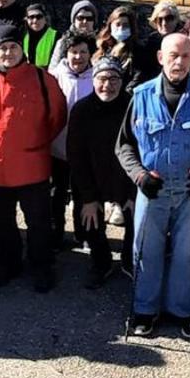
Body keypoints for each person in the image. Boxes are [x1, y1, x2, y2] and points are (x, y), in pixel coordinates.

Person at [116, 34, 190, 339]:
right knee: (146, 251)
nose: (179, 62)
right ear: (160, 58)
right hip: (151, 189)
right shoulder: (140, 96)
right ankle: (144, 310)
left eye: (185, 56)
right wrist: (139, 175)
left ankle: (184, 310)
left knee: (187, 252)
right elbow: (124, 145)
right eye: (173, 56)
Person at [0, 26, 67, 291]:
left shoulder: (43, 79)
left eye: (12, 47)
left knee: (38, 222)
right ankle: (9, 263)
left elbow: (57, 116)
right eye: (2, 48)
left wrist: (32, 142)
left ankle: (41, 266)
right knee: (2, 222)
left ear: (22, 49)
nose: (8, 53)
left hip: (33, 166)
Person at [68, 57, 135, 288]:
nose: (108, 85)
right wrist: (88, 197)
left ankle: (129, 260)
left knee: (136, 217)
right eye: (102, 78)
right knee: (88, 217)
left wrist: (131, 193)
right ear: (93, 80)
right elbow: (76, 156)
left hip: (126, 176)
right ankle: (101, 262)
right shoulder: (81, 110)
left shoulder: (133, 105)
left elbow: (141, 151)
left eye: (114, 78)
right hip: (92, 174)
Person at [49, 32, 96, 251]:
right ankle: (56, 232)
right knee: (57, 192)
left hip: (85, 150)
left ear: (90, 53)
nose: (78, 57)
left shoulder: (97, 77)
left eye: (83, 52)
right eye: (74, 52)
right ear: (66, 53)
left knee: (82, 192)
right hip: (57, 146)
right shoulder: (55, 75)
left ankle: (83, 233)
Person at [93, 6, 142, 89]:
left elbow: (138, 78)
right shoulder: (103, 47)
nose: (121, 28)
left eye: (125, 25)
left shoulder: (137, 51)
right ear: (110, 25)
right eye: (118, 24)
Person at [50, 0, 96, 65]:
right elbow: (53, 68)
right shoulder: (63, 42)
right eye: (80, 18)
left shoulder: (100, 42)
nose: (85, 21)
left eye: (89, 18)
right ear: (74, 21)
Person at [22, 3, 58, 69]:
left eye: (39, 17)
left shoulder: (57, 36)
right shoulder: (23, 36)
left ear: (45, 19)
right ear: (26, 19)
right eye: (31, 17)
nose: (35, 20)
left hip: (48, 74)